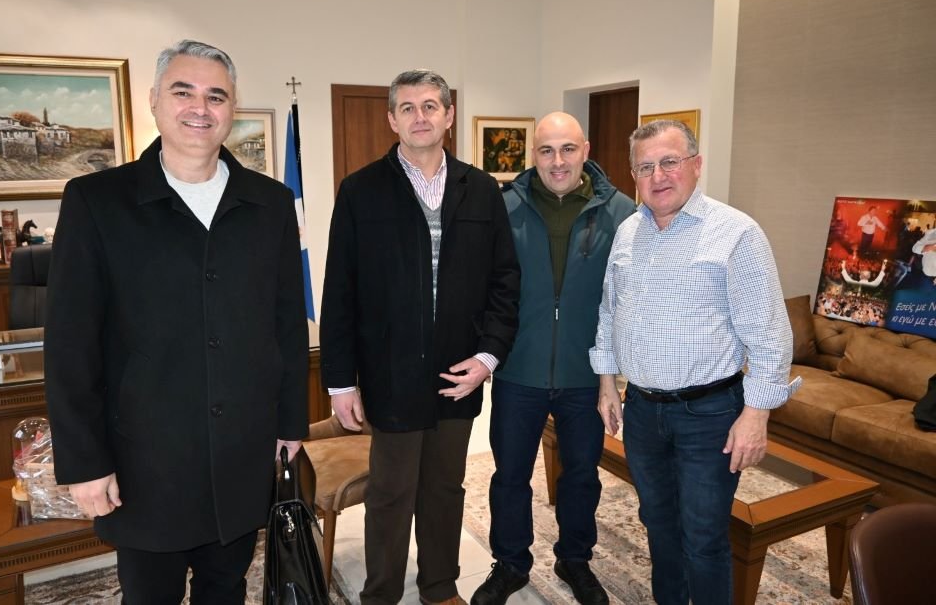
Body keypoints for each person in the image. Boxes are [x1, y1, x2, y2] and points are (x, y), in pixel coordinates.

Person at [44, 40, 309, 603]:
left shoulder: (271, 204)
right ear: (154, 101)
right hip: (145, 460)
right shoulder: (97, 201)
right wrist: (85, 462)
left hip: (241, 453)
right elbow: (70, 344)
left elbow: (286, 325)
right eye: (183, 92)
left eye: (216, 96)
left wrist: (290, 425)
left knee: (227, 588)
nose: (200, 108)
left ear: (232, 109)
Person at [320, 69, 520, 605]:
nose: (420, 116)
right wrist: (341, 382)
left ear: (449, 116)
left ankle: (439, 587)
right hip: (390, 373)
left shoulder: (482, 190)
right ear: (392, 119)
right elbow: (339, 290)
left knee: (444, 489)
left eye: (430, 106)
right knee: (390, 493)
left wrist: (488, 356)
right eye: (407, 108)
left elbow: (505, 281)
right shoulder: (361, 191)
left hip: (459, 371)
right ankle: (381, 594)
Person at [589, 120, 798, 605]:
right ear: (633, 176)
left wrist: (756, 416)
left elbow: (770, 334)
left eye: (670, 162)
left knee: (703, 539)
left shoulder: (736, 233)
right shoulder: (628, 232)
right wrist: (607, 382)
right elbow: (610, 312)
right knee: (658, 525)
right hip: (643, 411)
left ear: (696, 165)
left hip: (710, 415)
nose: (658, 176)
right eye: (645, 167)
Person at [471, 113, 634, 605]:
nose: (557, 161)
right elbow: (484, 288)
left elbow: (628, 297)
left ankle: (575, 560)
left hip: (587, 375)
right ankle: (511, 564)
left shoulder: (622, 212)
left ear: (585, 150)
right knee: (510, 476)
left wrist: (614, 375)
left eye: (567, 149)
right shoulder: (506, 207)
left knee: (582, 475)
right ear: (533, 155)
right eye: (546, 150)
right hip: (519, 370)